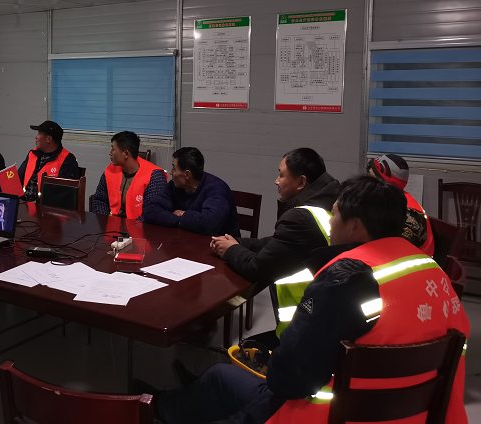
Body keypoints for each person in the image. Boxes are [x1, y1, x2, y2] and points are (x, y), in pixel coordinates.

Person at [152, 176, 469, 424]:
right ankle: (171, 405)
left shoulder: (345, 277)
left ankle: (153, 410)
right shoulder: (429, 269)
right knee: (225, 376)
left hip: (332, 414)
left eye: (335, 214)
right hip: (414, 412)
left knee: (228, 381)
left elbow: (287, 379)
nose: (330, 222)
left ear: (355, 225)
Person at [210, 147, 339, 344]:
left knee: (245, 349)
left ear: (301, 182)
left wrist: (230, 250)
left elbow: (257, 268)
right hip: (323, 316)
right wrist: (238, 242)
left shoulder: (301, 218)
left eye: (281, 175)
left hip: (304, 329)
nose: (276, 181)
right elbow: (278, 242)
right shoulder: (325, 202)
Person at [143, 147, 239, 237]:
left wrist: (183, 214)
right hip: (184, 241)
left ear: (187, 174)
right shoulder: (174, 186)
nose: (171, 172)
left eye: (174, 168)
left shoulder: (217, 189)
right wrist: (180, 220)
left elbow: (208, 224)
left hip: (221, 245)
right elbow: (150, 211)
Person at [90, 131, 167, 221]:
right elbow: (100, 200)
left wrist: (131, 227)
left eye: (113, 149)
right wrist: (107, 222)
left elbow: (152, 214)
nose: (110, 153)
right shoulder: (110, 171)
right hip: (113, 224)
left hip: (139, 226)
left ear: (126, 154)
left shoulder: (154, 176)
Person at [368, 153, 434, 257]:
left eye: (371, 180)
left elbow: (389, 251)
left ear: (385, 185)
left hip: (411, 264)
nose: (365, 184)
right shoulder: (387, 200)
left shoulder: (408, 216)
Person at [18, 120, 80, 202]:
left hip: (46, 206)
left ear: (48, 139)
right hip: (24, 202)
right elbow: (18, 178)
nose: (36, 136)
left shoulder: (67, 159)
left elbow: (65, 193)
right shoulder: (32, 154)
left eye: (39, 133)